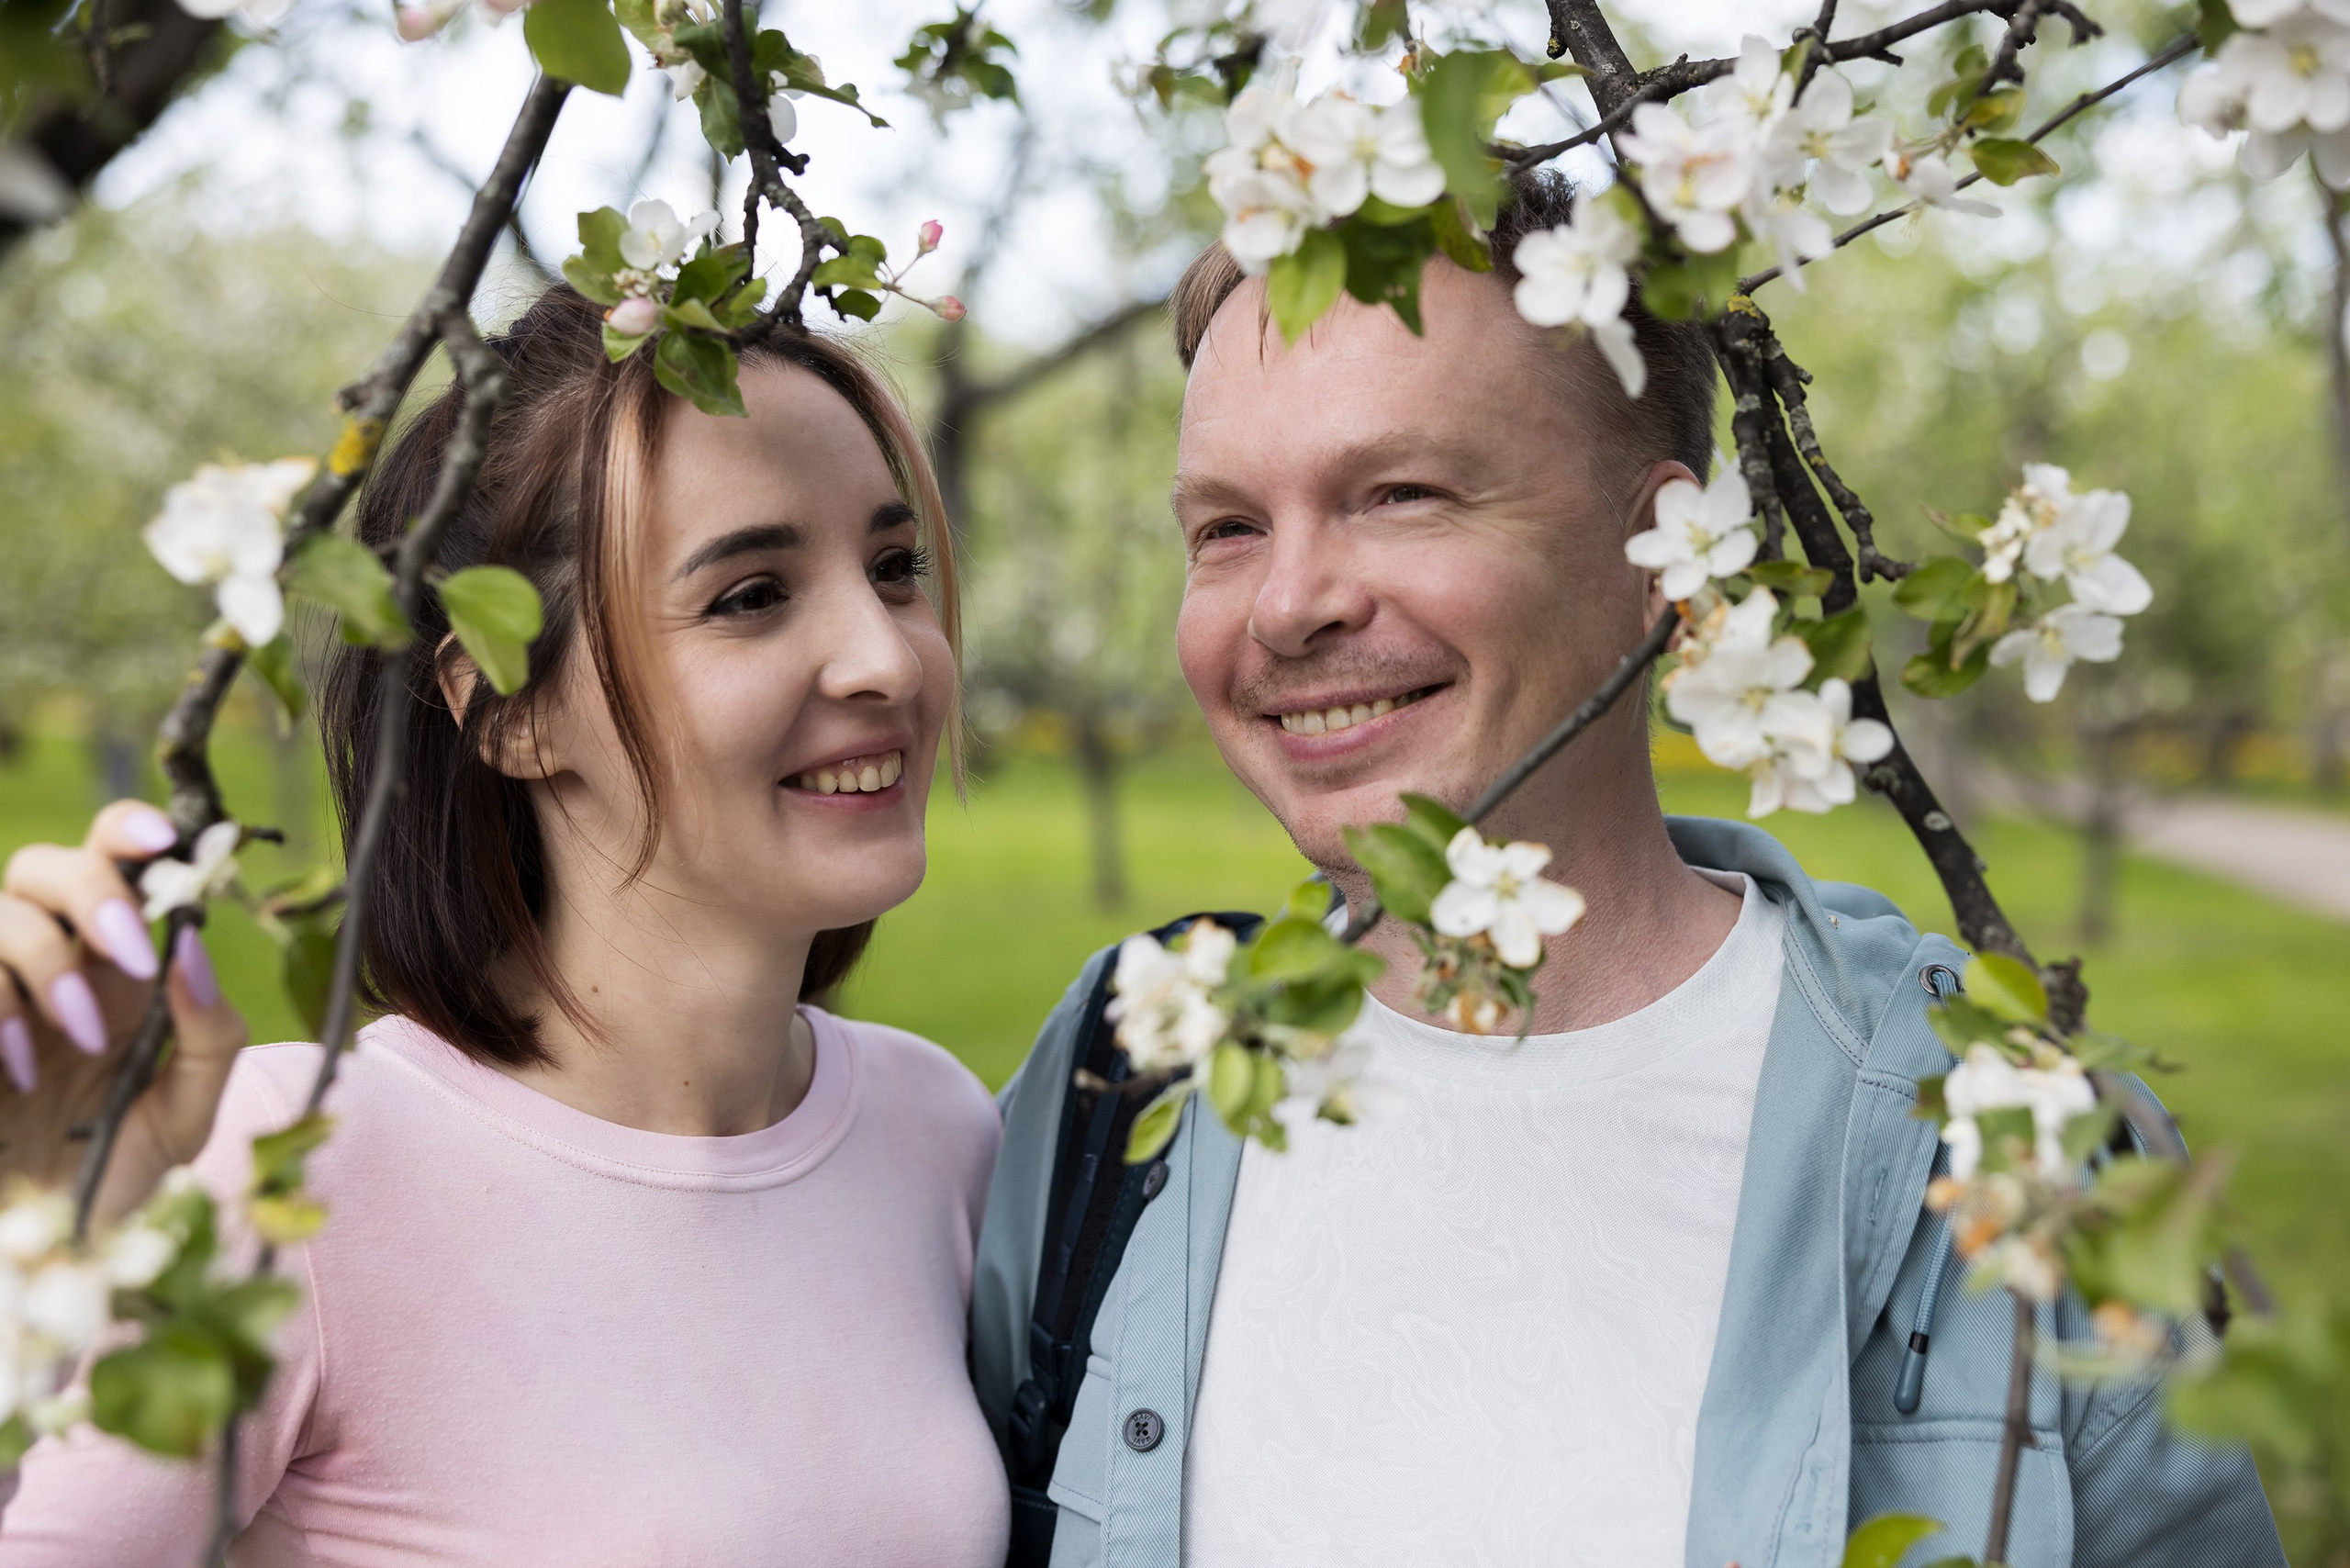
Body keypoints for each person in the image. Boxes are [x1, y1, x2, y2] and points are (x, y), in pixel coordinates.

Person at [969, 173, 2284, 1568]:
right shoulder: (1122, 1075)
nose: (1289, 605)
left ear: (1665, 554)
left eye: (1400, 494)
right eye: (1227, 528)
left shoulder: (2000, 1137)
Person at [0, 287, 1010, 1564]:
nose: (889, 660)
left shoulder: (942, 1135)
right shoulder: (294, 1166)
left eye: (894, 567)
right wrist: (49, 1242)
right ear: (506, 709)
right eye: (752, 594)